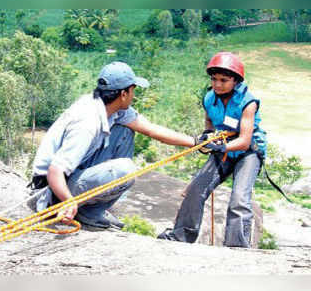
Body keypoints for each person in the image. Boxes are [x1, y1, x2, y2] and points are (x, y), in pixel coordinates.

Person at [28, 61, 196, 229]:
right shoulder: (87, 123)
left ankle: (91, 211)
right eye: (132, 90)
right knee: (126, 170)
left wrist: (196, 142)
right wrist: (68, 201)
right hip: (51, 189)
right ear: (123, 94)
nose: (133, 95)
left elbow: (151, 129)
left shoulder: (111, 108)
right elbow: (55, 170)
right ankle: (86, 213)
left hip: (71, 176)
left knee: (125, 132)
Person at [158, 52, 267, 248]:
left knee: (239, 197)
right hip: (223, 147)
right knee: (195, 189)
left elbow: (244, 140)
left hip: (248, 152)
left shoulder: (248, 102)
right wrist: (207, 134)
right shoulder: (210, 98)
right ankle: (181, 235)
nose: (217, 84)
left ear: (236, 81)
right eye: (214, 79)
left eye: (223, 80)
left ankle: (237, 246)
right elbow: (209, 120)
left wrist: (220, 146)